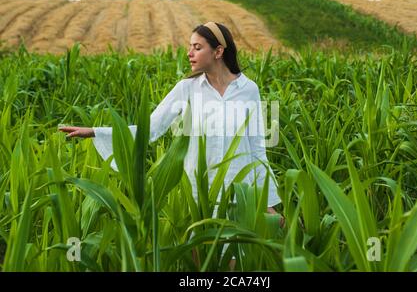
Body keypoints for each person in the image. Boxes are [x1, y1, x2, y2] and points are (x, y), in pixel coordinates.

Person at [59, 21, 281, 215]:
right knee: (204, 259)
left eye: (197, 47)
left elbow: (257, 148)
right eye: (189, 47)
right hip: (199, 192)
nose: (189, 53)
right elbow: (152, 129)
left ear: (218, 51)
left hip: (239, 192)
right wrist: (97, 132)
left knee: (237, 260)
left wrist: (268, 202)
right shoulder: (187, 89)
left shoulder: (248, 89)